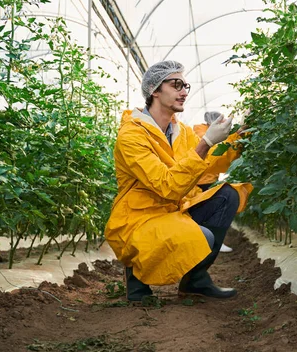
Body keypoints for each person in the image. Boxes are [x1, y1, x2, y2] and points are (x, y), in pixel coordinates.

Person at [104, 61, 253, 302]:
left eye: (186, 86)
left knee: (227, 196)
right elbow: (165, 185)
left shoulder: (180, 131)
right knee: (203, 237)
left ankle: (196, 281)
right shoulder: (131, 135)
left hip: (171, 212)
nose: (184, 91)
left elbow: (207, 163)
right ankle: (137, 274)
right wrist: (205, 142)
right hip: (140, 219)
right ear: (154, 90)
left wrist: (239, 138)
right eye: (176, 84)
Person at [193, 111, 246, 253]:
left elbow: (225, 155)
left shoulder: (206, 132)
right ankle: (206, 243)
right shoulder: (199, 133)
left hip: (209, 179)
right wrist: (236, 136)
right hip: (198, 182)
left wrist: (240, 135)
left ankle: (211, 241)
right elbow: (215, 155)